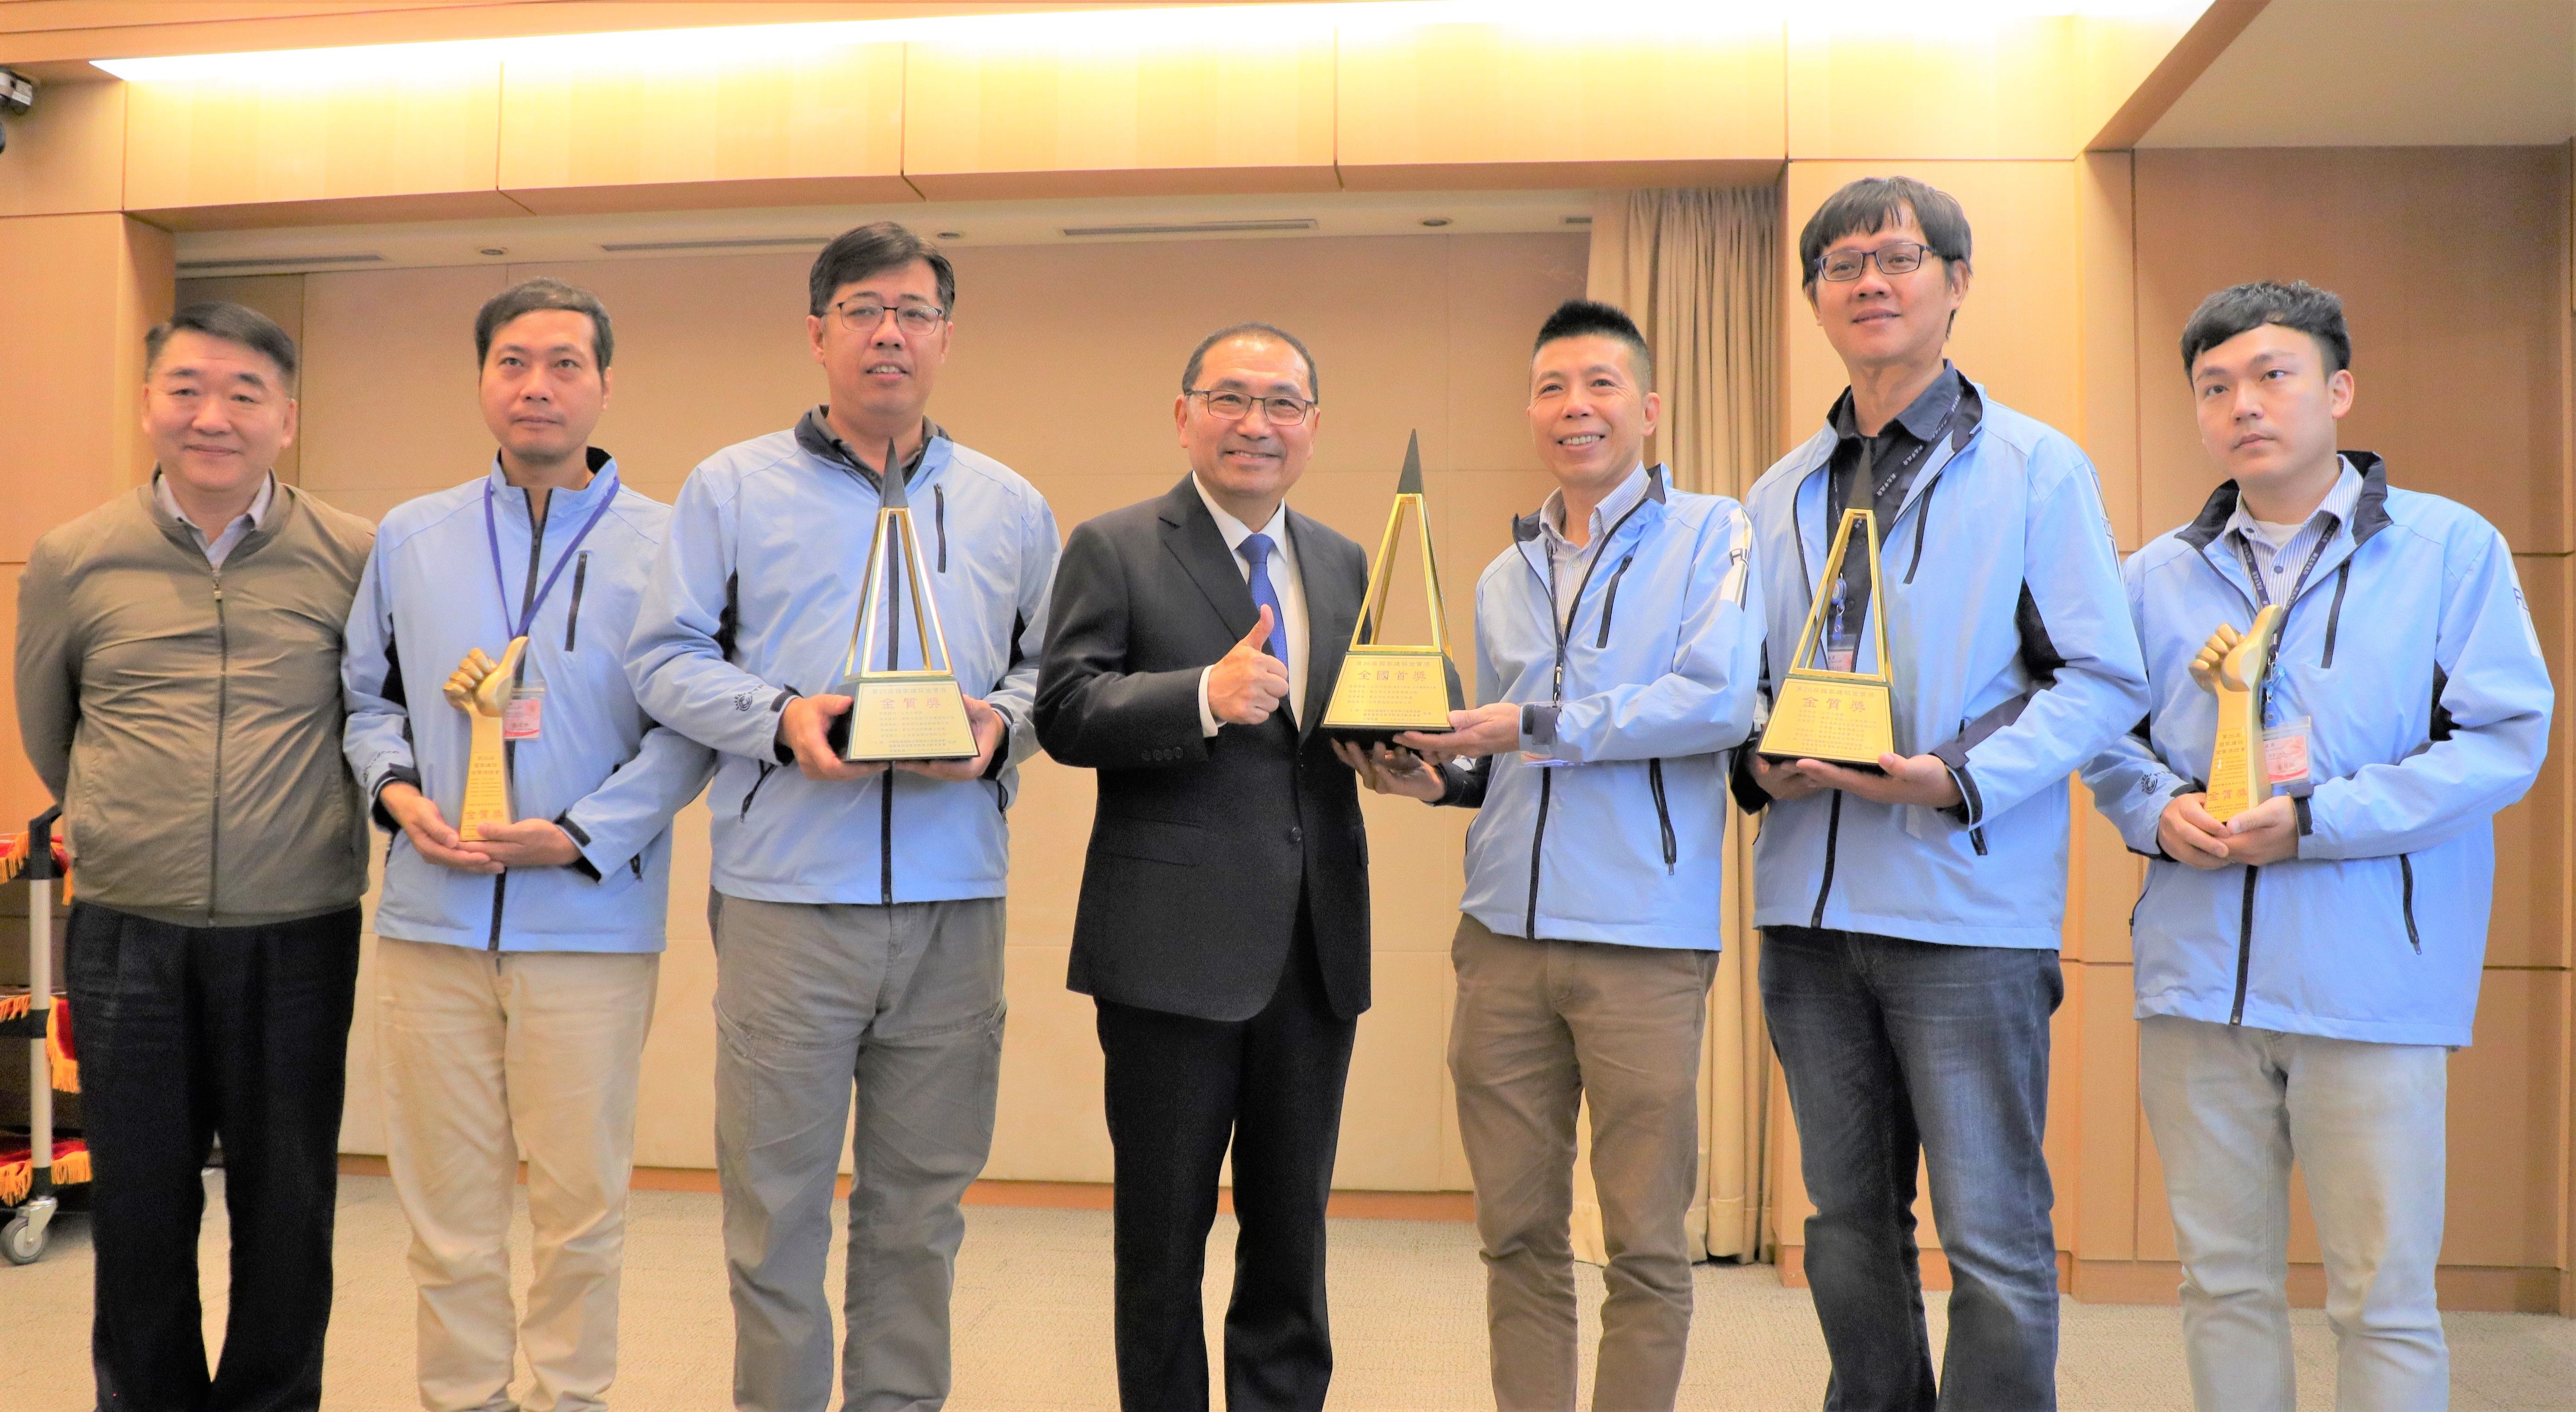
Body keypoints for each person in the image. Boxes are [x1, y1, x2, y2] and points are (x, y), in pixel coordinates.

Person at [2080, 281, 2550, 1410]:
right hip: (2198, 987)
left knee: (2382, 1296)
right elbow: (2108, 745)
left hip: (2370, 986)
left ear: (2338, 389)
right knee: (2221, 1282)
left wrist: (2317, 821)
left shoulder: (2448, 548)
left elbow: (2500, 742)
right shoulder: (2153, 576)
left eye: (2274, 374)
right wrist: (2155, 811)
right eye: (2216, 385)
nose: (2245, 402)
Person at [626, 222, 1058, 1412]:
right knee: (774, 1213)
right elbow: (663, 659)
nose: (890, 333)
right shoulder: (731, 485)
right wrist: (780, 716)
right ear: (817, 332)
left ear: (946, 338)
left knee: (921, 1212)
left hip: (953, 905)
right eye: (864, 309)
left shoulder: (1011, 504)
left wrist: (996, 728)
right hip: (785, 905)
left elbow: (1047, 674)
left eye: (915, 312)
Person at [1733, 176, 2148, 1409]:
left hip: (1965, 910)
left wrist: (1952, 774)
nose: (1872, 279)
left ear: (1956, 284)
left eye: (1900, 257)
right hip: (1807, 914)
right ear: (1815, 298)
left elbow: (2098, 675)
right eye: (1844, 262)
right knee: (1846, 1223)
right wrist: (1753, 756)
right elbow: (1753, 679)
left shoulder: (2036, 467)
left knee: (1993, 1232)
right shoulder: (1779, 488)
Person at [1337, 299, 1762, 1412]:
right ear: (1532, 411)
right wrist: (1441, 775)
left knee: (1644, 1241)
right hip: (1502, 942)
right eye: (1553, 389)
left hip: (1643, 942)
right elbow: (1498, 754)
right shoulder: (1499, 574)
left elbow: (1716, 700)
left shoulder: (1715, 533)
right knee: (1516, 1233)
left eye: (1601, 385)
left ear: (1650, 408)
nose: (1576, 408)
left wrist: (1528, 726)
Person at [341, 278, 714, 1412]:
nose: (537, 385)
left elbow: (689, 728)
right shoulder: (413, 533)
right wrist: (400, 797)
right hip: (429, 919)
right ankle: (462, 1398)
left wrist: (582, 834)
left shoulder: (670, 541)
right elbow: (368, 699)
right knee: (447, 1210)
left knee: (581, 1208)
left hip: (591, 926)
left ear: (605, 383)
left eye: (563, 363)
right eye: (512, 361)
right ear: (483, 380)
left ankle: (569, 1398)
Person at [14, 302, 376, 1409]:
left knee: (288, 1202)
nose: (211, 415)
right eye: (185, 389)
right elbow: (47, 721)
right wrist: (126, 820)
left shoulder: (355, 553)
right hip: (131, 927)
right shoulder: (78, 556)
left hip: (300, 924)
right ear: (148, 403)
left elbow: (374, 711)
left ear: (287, 417)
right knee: (139, 1202)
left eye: (243, 394)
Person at [1033, 322, 1370, 1412]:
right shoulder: (1117, 544)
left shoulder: (1344, 558)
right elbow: (1064, 711)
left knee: (1291, 1240)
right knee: (1163, 1241)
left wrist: (1417, 751)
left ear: (1313, 426)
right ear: (1184, 415)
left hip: (1313, 956)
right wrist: (1196, 697)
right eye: (1231, 398)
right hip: (1168, 954)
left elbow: (1346, 725)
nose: (1256, 423)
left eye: (1283, 403)